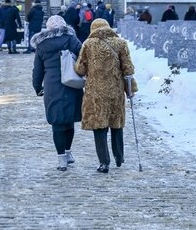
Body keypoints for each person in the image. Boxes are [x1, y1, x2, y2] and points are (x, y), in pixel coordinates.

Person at [74, 18, 137, 173]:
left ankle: (104, 162)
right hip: (116, 91)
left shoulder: (88, 44)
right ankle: (119, 157)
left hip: (96, 92)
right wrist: (131, 88)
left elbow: (80, 69)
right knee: (116, 124)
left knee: (99, 126)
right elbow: (128, 69)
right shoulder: (121, 43)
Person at [31, 15, 84, 172]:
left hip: (52, 85)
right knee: (68, 120)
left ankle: (61, 158)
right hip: (72, 83)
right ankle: (68, 152)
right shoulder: (71, 39)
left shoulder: (42, 44)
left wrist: (37, 87)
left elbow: (37, 70)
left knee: (57, 121)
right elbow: (83, 57)